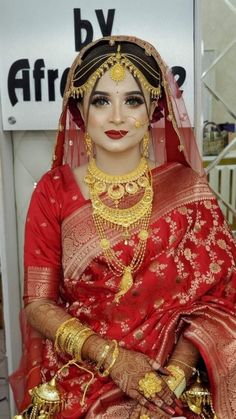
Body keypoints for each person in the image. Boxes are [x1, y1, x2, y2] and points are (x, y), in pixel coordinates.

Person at [10, 35, 236, 419]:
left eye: (132, 100)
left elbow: (219, 297)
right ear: (80, 110)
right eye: (101, 101)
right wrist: (113, 359)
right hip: (82, 370)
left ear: (153, 109)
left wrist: (175, 378)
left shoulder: (187, 188)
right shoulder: (54, 191)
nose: (117, 116)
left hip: (171, 376)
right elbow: (38, 303)